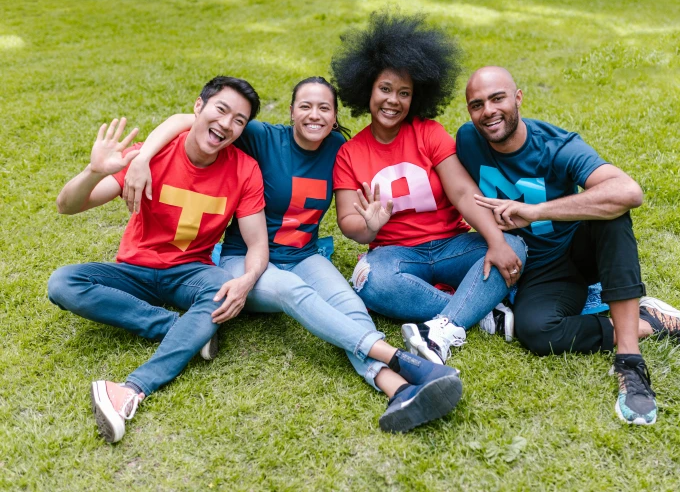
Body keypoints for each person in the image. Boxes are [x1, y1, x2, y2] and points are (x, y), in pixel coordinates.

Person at [120, 76, 463, 433]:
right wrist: (143, 157)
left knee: (349, 306)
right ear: (291, 111)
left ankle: (399, 389)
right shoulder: (261, 137)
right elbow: (187, 121)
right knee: (291, 292)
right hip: (246, 259)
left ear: (334, 117)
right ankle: (403, 360)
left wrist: (373, 223)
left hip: (304, 255)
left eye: (324, 108)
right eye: (305, 106)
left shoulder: (337, 148)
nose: (314, 115)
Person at [457, 66, 680, 425]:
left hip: (578, 252)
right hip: (540, 273)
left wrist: (536, 211)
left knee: (613, 213)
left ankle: (630, 363)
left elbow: (629, 191)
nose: (488, 110)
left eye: (497, 98)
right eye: (477, 104)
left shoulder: (557, 146)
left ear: (518, 98)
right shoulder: (467, 141)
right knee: (535, 332)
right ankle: (648, 321)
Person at [47, 76, 269, 443]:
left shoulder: (244, 170)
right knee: (63, 282)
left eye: (239, 120)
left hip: (190, 272)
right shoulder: (146, 157)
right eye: (221, 109)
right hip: (134, 269)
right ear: (198, 107)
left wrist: (246, 281)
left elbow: (257, 244)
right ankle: (176, 328)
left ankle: (131, 389)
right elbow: (67, 206)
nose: (226, 125)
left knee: (220, 290)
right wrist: (93, 171)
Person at [330, 12, 527, 366]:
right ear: (366, 89)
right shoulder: (350, 153)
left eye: (404, 93)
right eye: (385, 89)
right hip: (396, 254)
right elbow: (348, 222)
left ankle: (446, 324)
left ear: (415, 97)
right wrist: (370, 226)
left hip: (452, 245)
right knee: (369, 281)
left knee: (513, 244)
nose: (393, 101)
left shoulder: (428, 132)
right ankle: (480, 311)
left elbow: (463, 194)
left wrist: (496, 243)